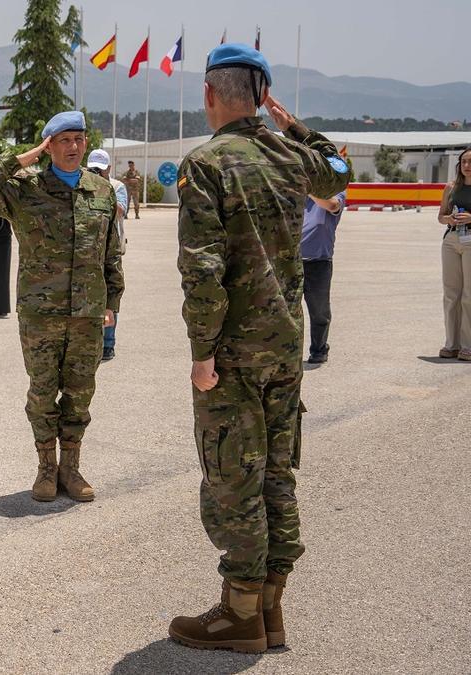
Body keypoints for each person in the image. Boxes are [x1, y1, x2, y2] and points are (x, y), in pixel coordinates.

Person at [170, 44, 350, 654]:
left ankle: (239, 615)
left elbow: (202, 269)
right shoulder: (292, 156)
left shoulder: (208, 163)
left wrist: (201, 355)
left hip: (234, 356)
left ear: (210, 95)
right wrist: (290, 121)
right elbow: (339, 169)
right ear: (262, 98)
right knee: (276, 471)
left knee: (232, 476)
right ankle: (271, 610)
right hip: (284, 349)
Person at [0, 110, 123, 504]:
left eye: (79, 139)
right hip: (41, 313)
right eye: (64, 140)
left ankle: (71, 467)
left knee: (80, 392)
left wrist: (112, 303)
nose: (73, 147)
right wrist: (20, 159)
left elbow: (111, 254)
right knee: (41, 392)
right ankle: (46, 468)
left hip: (88, 312)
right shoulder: (24, 188)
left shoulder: (100, 191)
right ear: (49, 145)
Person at [86, 149, 128, 361]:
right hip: (86, 250)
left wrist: (105, 191)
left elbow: (121, 212)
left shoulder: (117, 186)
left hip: (111, 249)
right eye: (92, 168)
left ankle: (108, 344)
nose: (95, 172)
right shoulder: (80, 184)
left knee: (110, 295)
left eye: (100, 170)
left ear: (109, 169)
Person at [301, 191, 346, 364]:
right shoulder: (292, 191)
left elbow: (333, 205)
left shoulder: (336, 191)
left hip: (318, 261)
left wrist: (309, 190)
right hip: (290, 261)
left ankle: (319, 349)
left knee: (319, 310)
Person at [437, 147, 471, 360]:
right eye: (464, 161)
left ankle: (468, 345)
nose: (467, 166)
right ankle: (452, 344)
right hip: (451, 240)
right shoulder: (450, 187)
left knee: (470, 295)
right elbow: (440, 216)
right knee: (451, 294)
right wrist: (447, 219)